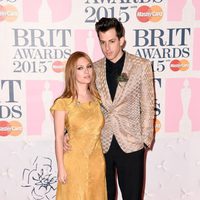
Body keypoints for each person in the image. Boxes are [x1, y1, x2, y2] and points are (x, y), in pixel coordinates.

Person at [64, 17, 155, 200]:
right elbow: (81, 100)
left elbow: (148, 104)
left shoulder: (141, 66)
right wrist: (68, 130)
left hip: (131, 143)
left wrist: (145, 139)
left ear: (121, 40)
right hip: (100, 144)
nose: (107, 48)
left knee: (132, 196)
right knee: (104, 196)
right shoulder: (94, 68)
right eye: (103, 42)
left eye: (112, 41)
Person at [50, 51, 107, 200]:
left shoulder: (97, 99)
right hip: (74, 162)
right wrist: (61, 167)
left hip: (97, 162)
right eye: (80, 68)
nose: (86, 71)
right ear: (71, 72)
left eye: (88, 66)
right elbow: (58, 137)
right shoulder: (63, 102)